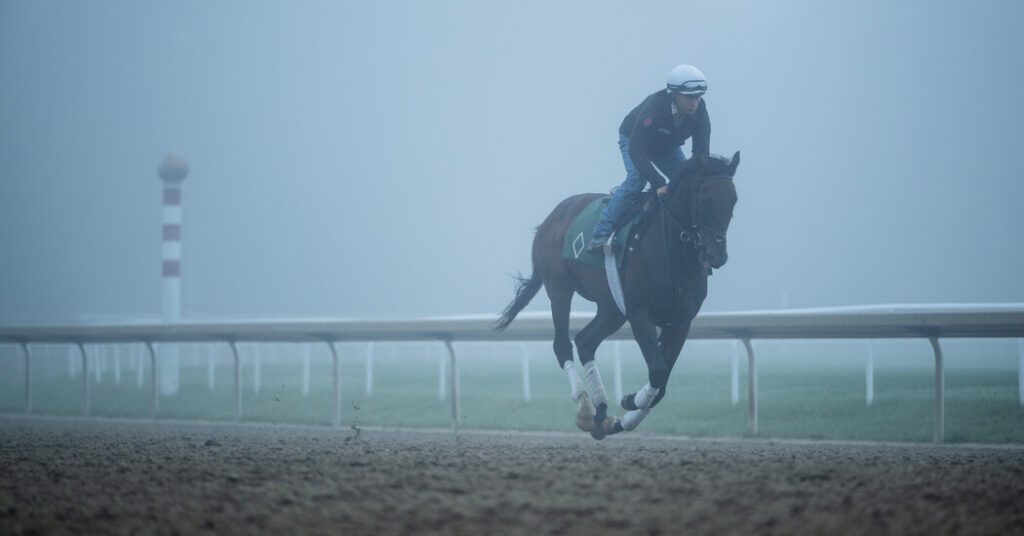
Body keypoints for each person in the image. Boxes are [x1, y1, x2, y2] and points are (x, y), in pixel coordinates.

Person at [587, 64, 711, 253]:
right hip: (634, 141)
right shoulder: (655, 107)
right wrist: (659, 182)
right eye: (689, 97)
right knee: (637, 180)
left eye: (698, 96)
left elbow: (701, 155)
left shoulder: (700, 111)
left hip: (666, 146)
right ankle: (600, 235)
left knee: (688, 181)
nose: (695, 103)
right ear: (674, 94)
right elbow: (637, 150)